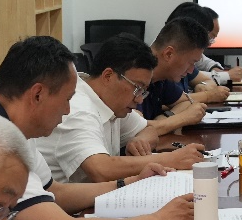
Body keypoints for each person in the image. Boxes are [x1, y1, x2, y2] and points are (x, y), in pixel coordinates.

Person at [0, 36, 194, 220]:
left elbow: (55, 193)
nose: (68, 110)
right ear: (37, 94)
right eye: (66, 99)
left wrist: (130, 182)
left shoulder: (10, 128)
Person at [37, 32, 205, 183]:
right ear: (108, 76)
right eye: (137, 88)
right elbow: (100, 169)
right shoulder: (79, 110)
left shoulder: (110, 103)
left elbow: (149, 130)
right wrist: (170, 159)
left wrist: (140, 141)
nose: (139, 99)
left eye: (143, 91)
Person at [137, 16, 212, 135]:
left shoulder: (162, 77)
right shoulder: (132, 76)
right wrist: (182, 118)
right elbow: (137, 132)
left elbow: (187, 102)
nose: (191, 71)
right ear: (168, 54)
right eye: (191, 62)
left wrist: (165, 119)